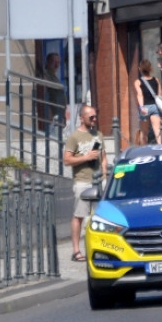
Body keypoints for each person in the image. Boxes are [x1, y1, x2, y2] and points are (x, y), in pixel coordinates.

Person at [63, 105, 107, 263]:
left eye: (96, 116)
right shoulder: (74, 137)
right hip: (82, 181)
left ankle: (100, 249)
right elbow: (67, 160)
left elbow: (103, 156)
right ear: (82, 118)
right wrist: (85, 157)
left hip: (98, 181)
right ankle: (76, 250)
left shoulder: (99, 135)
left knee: (100, 216)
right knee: (79, 215)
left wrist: (104, 173)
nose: (94, 120)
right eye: (91, 117)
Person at [134, 58, 162, 145]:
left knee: (144, 132)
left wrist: (141, 107)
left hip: (145, 108)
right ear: (150, 68)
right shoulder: (156, 80)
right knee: (158, 131)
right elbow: (160, 94)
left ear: (140, 69)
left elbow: (140, 95)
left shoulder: (138, 82)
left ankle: (144, 151)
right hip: (155, 107)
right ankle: (161, 149)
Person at [38, 52, 68, 138]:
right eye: (54, 62)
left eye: (58, 62)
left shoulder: (54, 77)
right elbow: (44, 92)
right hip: (52, 117)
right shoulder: (45, 74)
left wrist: (64, 116)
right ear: (47, 62)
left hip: (58, 116)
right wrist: (49, 112)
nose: (56, 65)